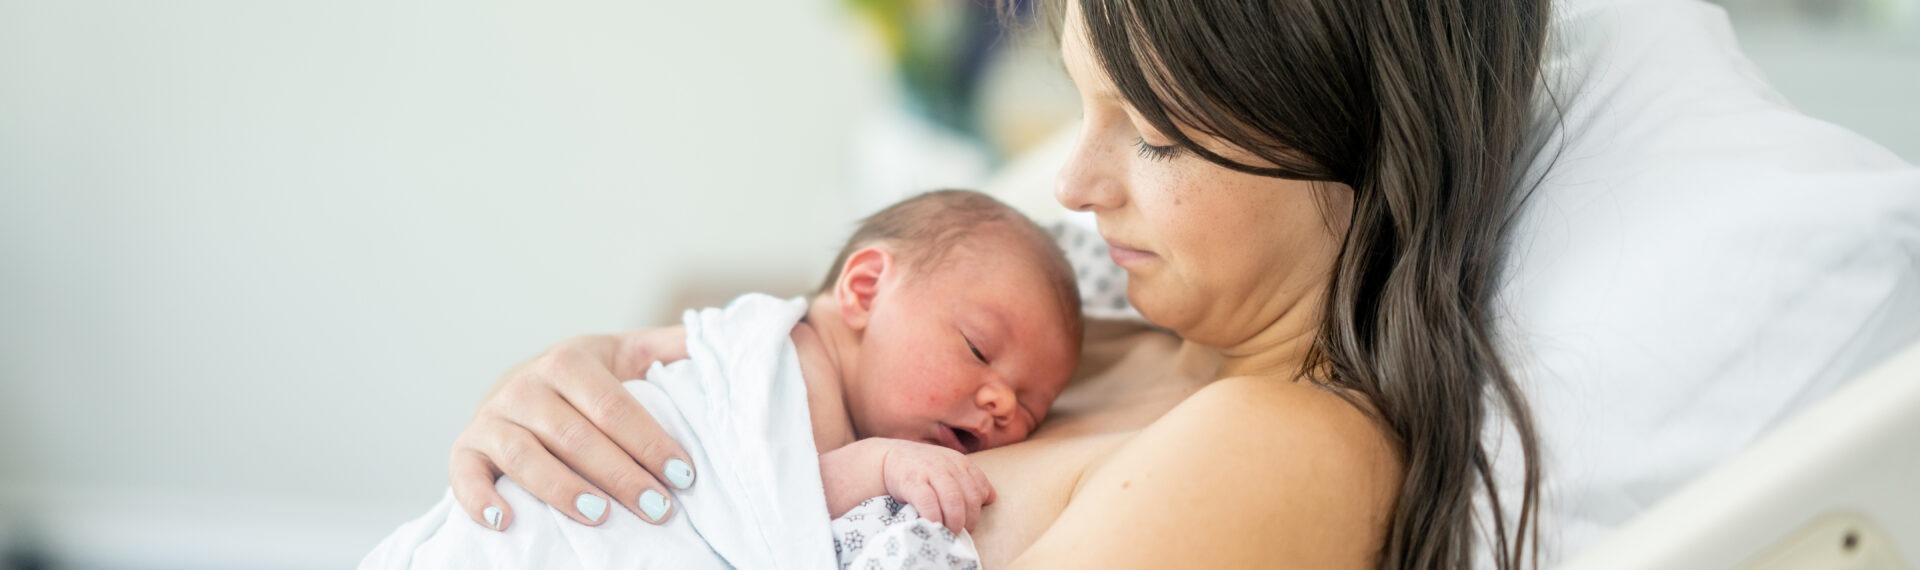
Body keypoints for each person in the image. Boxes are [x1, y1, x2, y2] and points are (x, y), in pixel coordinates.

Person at [445, 0, 1551, 568]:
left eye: (1155, 139)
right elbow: (819, 349)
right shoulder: (1099, 310)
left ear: (1360, 150)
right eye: (1085, 105)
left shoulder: (1287, 451)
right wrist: (585, 391)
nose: (1072, 183)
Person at [366, 189, 1081, 567]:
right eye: (980, 349)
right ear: (865, 289)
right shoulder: (780, 354)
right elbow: (777, 493)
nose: (1000, 404)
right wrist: (884, 463)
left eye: (1032, 406)